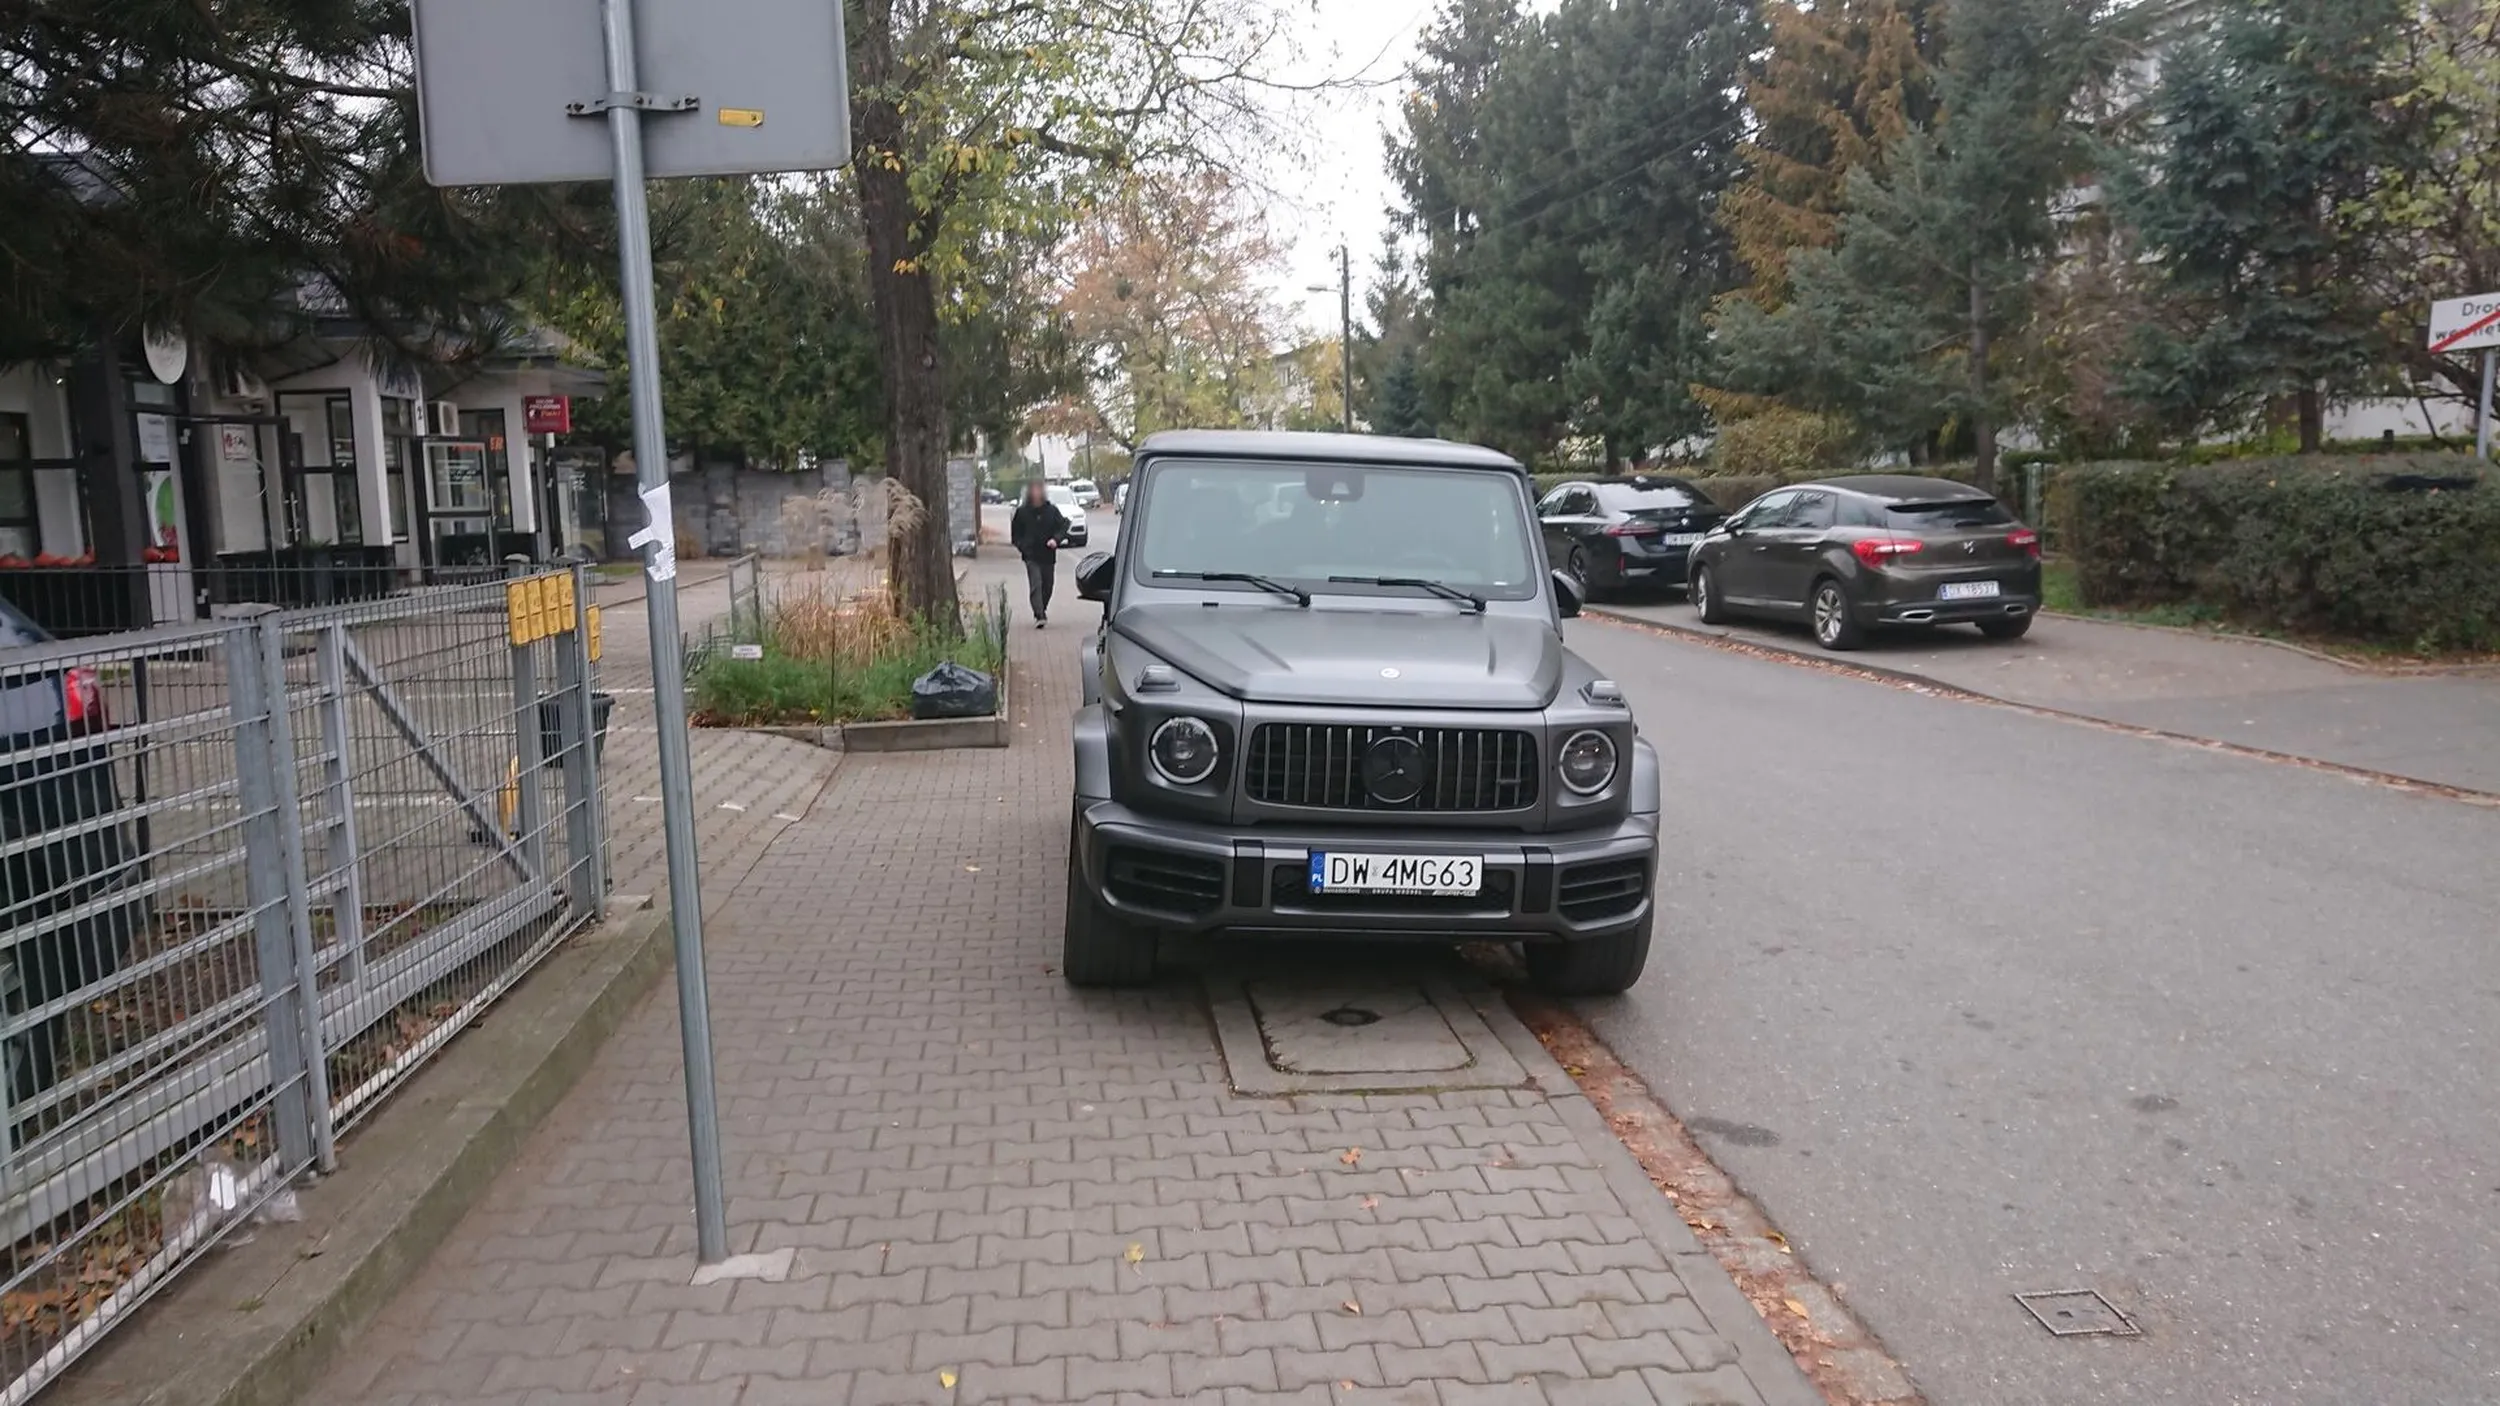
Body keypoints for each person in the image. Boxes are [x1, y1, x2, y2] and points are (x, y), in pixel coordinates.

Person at [1010, 480, 1070, 627]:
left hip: (1048, 555)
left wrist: (1056, 539)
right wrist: (1022, 546)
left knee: (1047, 586)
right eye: (1034, 490)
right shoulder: (1022, 512)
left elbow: (1064, 525)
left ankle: (1042, 607)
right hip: (1031, 555)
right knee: (1036, 583)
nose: (1036, 493)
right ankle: (1039, 615)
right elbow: (1015, 534)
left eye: (1039, 490)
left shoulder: (1051, 510)